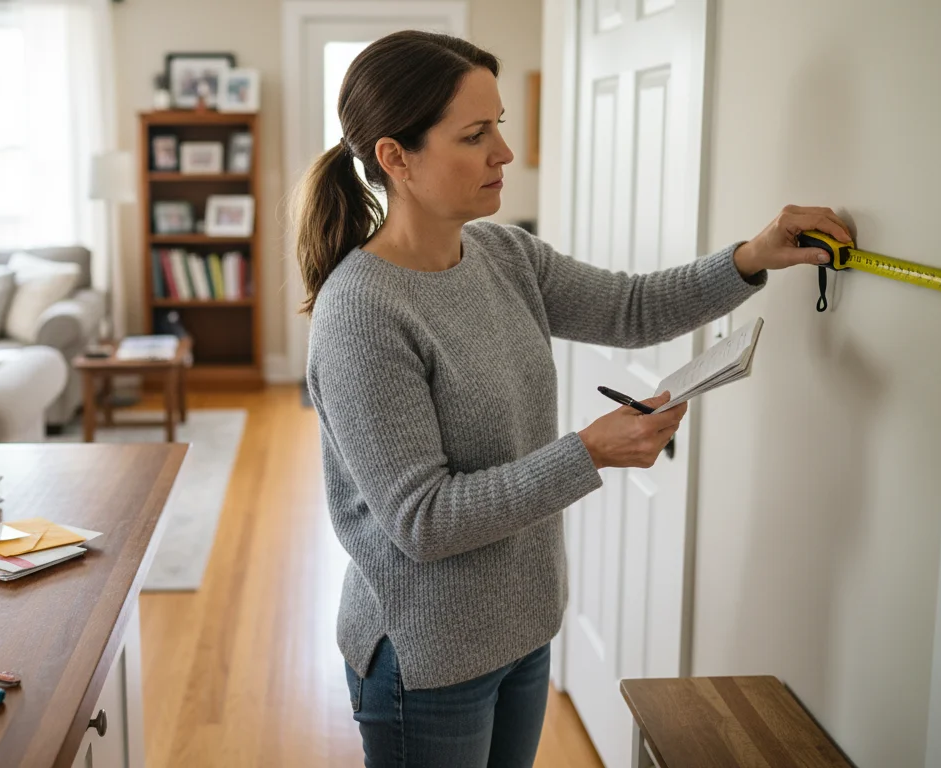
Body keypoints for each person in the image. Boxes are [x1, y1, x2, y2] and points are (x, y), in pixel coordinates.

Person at [294, 30, 850, 768]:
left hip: (522, 627)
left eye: (499, 126)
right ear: (396, 157)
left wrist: (753, 255)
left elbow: (631, 307)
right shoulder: (363, 312)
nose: (504, 152)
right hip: (427, 658)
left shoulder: (502, 254)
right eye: (474, 134)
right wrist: (588, 452)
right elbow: (421, 521)